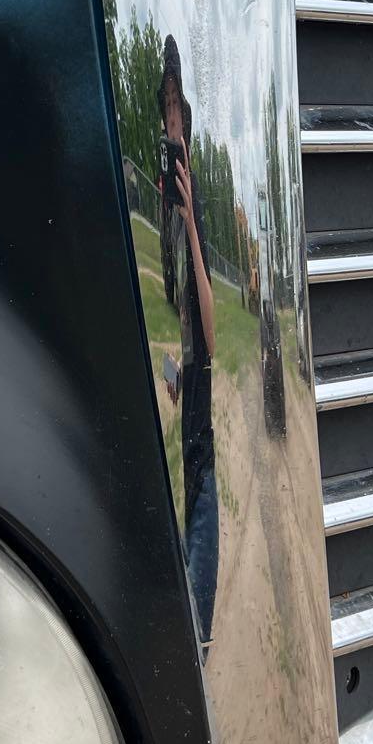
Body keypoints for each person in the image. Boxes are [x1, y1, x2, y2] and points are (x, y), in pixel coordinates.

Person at [157, 35, 218, 651]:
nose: (172, 140)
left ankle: (200, 639)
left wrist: (192, 218)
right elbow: (174, 316)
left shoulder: (193, 218)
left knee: (197, 641)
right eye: (165, 130)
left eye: (180, 132)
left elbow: (210, 331)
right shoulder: (167, 223)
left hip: (202, 451)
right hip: (184, 414)